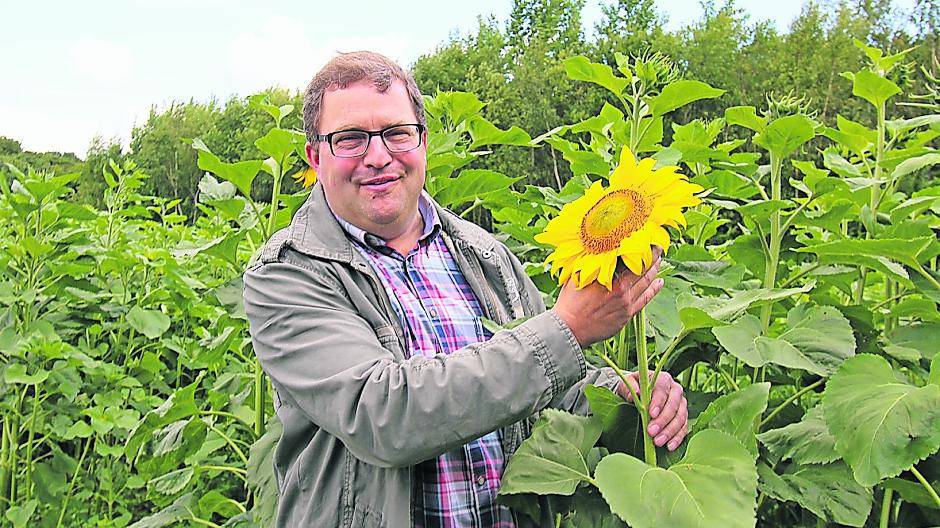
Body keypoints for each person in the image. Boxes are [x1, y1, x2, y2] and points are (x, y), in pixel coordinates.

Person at [243, 51, 689, 528]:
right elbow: (382, 415)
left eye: (397, 133)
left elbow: (549, 389)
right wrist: (569, 330)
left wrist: (621, 393)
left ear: (423, 142)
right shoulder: (287, 273)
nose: (378, 156)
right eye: (350, 139)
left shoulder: (485, 256)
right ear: (315, 156)